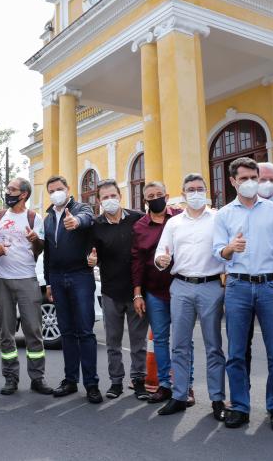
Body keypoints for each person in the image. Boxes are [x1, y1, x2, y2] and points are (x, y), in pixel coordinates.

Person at [213, 157, 273, 432]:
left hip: (270, 285)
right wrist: (230, 248)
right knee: (236, 351)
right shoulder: (223, 215)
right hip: (237, 285)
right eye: (244, 178)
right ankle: (240, 406)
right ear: (233, 181)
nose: (249, 183)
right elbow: (217, 252)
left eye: (253, 178)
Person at [154, 174, 226, 419]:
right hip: (181, 286)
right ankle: (179, 395)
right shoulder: (173, 223)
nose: (195, 193)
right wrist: (161, 260)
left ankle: (217, 399)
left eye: (199, 189)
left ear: (207, 191)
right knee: (180, 345)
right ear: (183, 194)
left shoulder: (219, 219)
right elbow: (161, 254)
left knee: (214, 346)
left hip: (211, 286)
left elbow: (228, 251)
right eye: (190, 189)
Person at [130, 182, 194, 405]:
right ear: (145, 200)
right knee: (160, 339)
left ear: (167, 196)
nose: (155, 198)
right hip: (155, 292)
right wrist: (137, 294)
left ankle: (186, 385)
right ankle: (165, 385)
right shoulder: (140, 226)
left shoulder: (179, 218)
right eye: (150, 196)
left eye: (159, 194)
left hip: (181, 289)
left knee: (183, 341)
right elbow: (137, 262)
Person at [0, 177, 52, 395]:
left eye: (12, 189)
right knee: (6, 332)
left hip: (27, 279)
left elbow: (41, 248)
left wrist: (35, 239)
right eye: (8, 189)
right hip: (1, 280)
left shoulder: (34, 218)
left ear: (23, 194)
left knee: (33, 331)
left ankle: (37, 378)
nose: (8, 192)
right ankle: (10, 378)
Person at [43, 176, 100, 403]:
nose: (56, 193)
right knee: (66, 332)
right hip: (57, 278)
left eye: (60, 189)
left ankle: (92, 383)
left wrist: (75, 221)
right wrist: (48, 282)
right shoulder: (47, 218)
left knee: (85, 332)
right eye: (52, 190)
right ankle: (70, 380)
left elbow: (86, 219)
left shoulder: (80, 208)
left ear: (68, 190)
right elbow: (47, 252)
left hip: (80, 276)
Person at [87, 179, 146, 400]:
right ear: (99, 201)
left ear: (120, 195)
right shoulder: (96, 225)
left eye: (113, 196)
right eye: (104, 197)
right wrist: (92, 259)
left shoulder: (138, 219)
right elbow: (92, 254)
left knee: (138, 341)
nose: (109, 200)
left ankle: (139, 380)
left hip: (137, 291)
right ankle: (116, 382)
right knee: (113, 341)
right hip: (110, 291)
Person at [246, 162, 273, 392]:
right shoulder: (233, 210)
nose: (267, 184)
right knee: (241, 347)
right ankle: (240, 398)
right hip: (242, 288)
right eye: (262, 179)